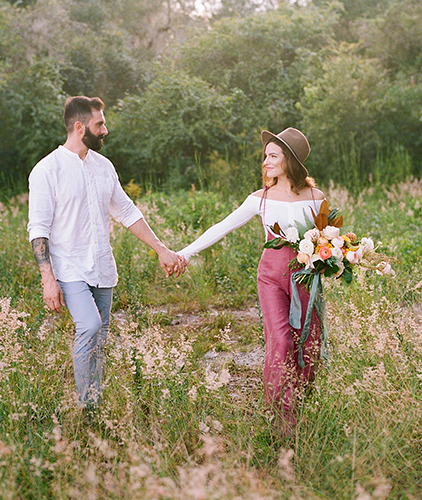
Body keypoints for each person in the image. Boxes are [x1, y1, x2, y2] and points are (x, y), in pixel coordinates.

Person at [27, 95, 186, 412]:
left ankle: (94, 403)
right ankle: (88, 410)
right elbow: (38, 229)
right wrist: (48, 278)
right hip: (69, 268)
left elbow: (126, 212)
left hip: (102, 267)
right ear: (79, 126)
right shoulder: (47, 170)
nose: (105, 130)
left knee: (100, 341)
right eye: (99, 124)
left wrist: (162, 249)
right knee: (89, 326)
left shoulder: (104, 167)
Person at [178, 127, 325, 434]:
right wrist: (185, 253)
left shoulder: (316, 198)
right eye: (265, 156)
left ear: (291, 160)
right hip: (271, 276)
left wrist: (337, 258)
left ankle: (303, 399)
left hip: (305, 278)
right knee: (282, 340)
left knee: (307, 341)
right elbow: (221, 227)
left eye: (273, 156)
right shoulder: (260, 199)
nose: (265, 162)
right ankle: (281, 415)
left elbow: (325, 239)